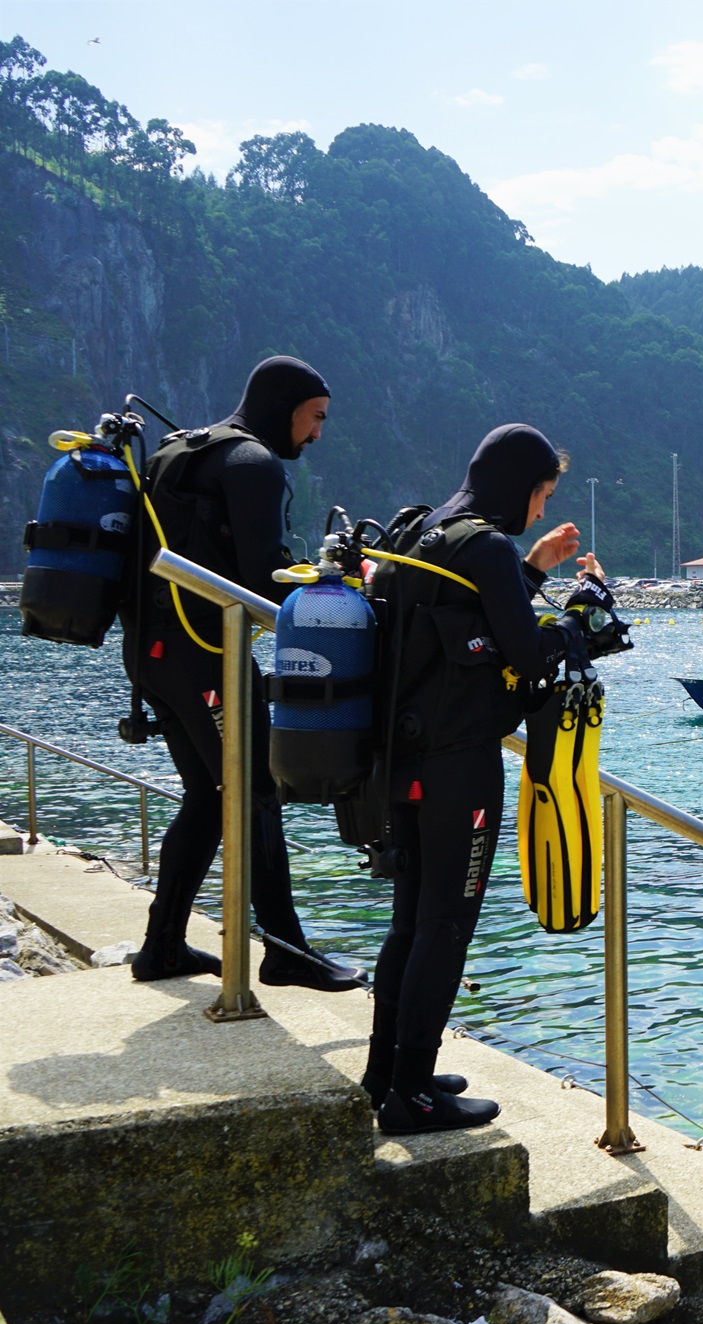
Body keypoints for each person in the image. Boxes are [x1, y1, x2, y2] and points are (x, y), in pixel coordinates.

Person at [362, 423, 608, 1135]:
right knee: (446, 925)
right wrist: (581, 619)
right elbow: (527, 654)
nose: (540, 511)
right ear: (521, 487)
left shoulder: (429, 530)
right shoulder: (488, 545)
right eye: (543, 496)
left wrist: (532, 568)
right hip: (458, 765)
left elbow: (470, 620)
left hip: (404, 757)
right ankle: (413, 1094)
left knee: (411, 921)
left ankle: (388, 1072)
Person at [123, 355, 363, 991]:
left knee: (209, 796)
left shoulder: (178, 451)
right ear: (287, 409)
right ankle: (286, 951)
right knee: (256, 791)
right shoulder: (251, 463)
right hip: (205, 656)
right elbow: (262, 582)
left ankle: (162, 947)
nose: (317, 433)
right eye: (315, 418)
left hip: (152, 655)